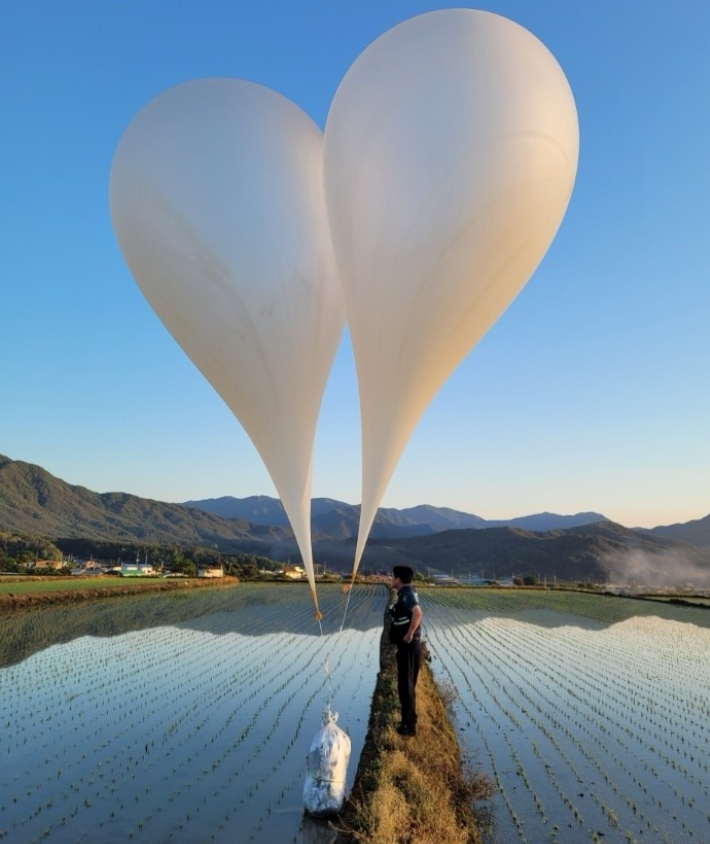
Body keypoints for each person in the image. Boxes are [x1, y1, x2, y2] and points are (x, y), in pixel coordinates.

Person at [389, 565, 422, 736]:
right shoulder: (406, 592)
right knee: (406, 686)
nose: (391, 580)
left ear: (399, 579)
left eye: (393, 577)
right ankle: (407, 722)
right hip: (408, 648)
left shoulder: (407, 594)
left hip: (409, 647)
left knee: (406, 687)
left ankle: (408, 726)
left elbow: (417, 613)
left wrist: (409, 634)